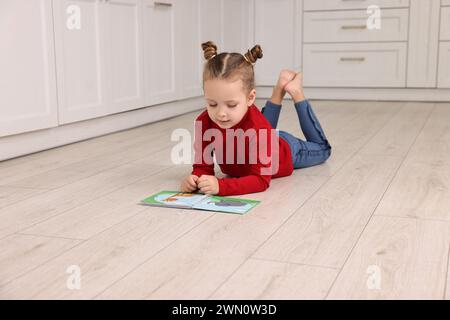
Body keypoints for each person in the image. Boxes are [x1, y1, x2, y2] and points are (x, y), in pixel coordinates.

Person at [180, 41, 331, 196]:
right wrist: (195, 178)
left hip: (287, 150)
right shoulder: (204, 121)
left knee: (323, 149)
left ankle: (296, 92)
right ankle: (279, 90)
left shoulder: (259, 129)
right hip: (259, 137)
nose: (221, 113)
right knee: (256, 128)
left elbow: (260, 180)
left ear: (250, 98)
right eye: (212, 104)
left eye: (231, 105)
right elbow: (203, 167)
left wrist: (221, 186)